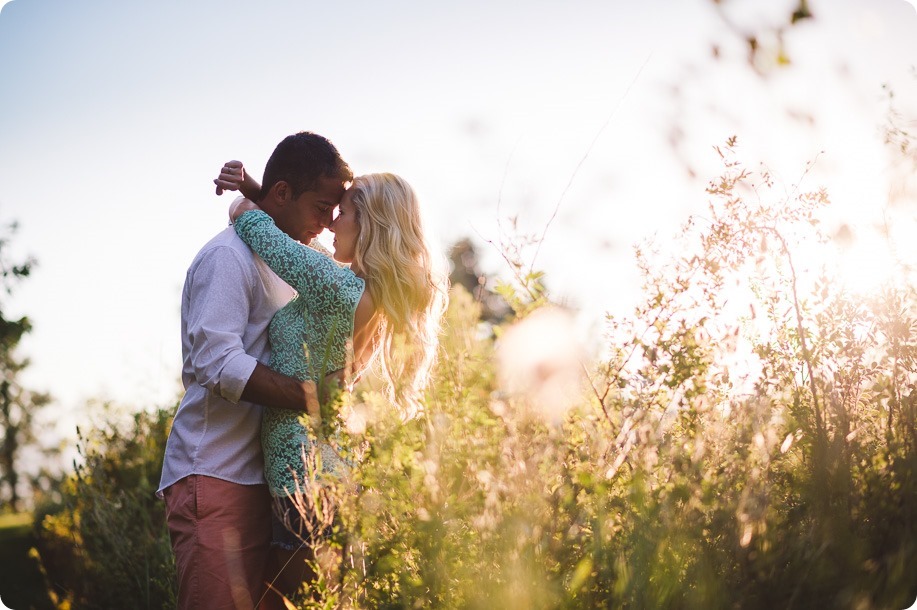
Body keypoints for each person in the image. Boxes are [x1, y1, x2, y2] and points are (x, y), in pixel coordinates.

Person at [214, 162, 448, 603]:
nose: (328, 223)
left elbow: (262, 231)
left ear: (370, 224)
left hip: (302, 483)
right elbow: (302, 243)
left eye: (340, 213)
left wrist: (247, 201)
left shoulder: (336, 286)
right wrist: (261, 187)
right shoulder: (360, 288)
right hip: (325, 480)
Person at [158, 132, 353, 610]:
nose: (328, 225)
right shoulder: (228, 258)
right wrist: (313, 397)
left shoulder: (294, 261)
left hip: (277, 481)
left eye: (336, 212)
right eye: (321, 208)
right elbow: (217, 363)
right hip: (217, 472)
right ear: (283, 194)